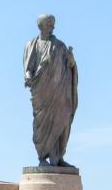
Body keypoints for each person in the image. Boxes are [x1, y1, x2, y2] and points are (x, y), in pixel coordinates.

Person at [23, 14, 78, 167]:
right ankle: (42, 158)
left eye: (53, 24)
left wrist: (71, 60)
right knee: (42, 125)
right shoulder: (31, 44)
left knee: (63, 120)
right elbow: (28, 68)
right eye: (49, 24)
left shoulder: (60, 46)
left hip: (60, 92)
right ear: (40, 26)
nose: (52, 27)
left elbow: (70, 66)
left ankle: (58, 157)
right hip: (41, 92)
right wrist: (28, 77)